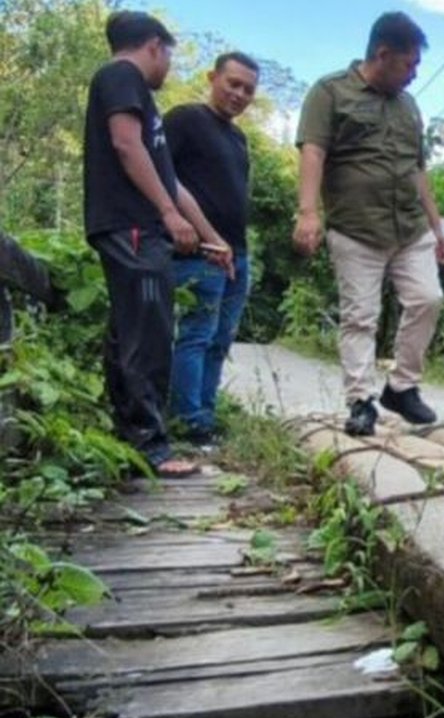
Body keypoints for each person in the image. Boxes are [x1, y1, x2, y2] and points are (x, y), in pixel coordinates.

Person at [83, 10, 233, 477]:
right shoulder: (121, 76)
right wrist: (167, 214)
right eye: (168, 55)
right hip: (131, 225)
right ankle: (150, 447)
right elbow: (126, 145)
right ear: (154, 46)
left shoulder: (140, 100)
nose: (168, 65)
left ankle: (130, 442)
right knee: (147, 335)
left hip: (140, 228)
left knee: (130, 331)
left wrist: (212, 238)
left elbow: (172, 183)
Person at [292, 11, 444, 437]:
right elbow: (313, 152)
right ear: (382, 54)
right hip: (356, 227)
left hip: (410, 227)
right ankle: (361, 401)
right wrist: (308, 212)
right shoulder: (330, 92)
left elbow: (418, 170)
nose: (415, 73)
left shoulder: (409, 105)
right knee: (360, 316)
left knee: (428, 299)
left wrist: (438, 229)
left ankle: (402, 387)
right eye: (409, 63)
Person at [165, 52, 259, 447]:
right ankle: (188, 422)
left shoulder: (238, 139)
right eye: (233, 83)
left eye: (248, 90)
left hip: (236, 253)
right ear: (212, 77)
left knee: (221, 340)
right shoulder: (184, 119)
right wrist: (192, 228)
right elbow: (162, 176)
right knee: (197, 334)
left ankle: (205, 415)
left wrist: (235, 247)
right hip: (199, 251)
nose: (239, 94)